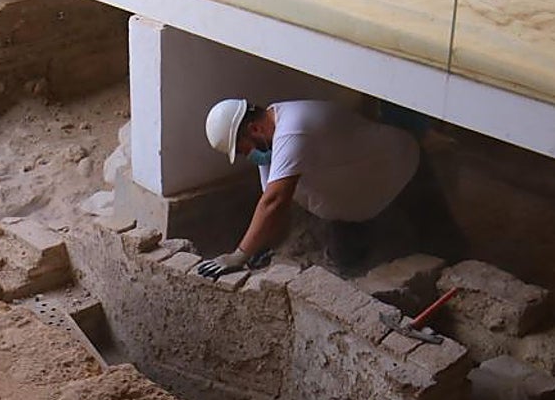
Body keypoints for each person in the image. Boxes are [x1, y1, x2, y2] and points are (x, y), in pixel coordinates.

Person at [196, 98, 464, 277]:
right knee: (349, 264)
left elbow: (274, 202)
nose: (248, 157)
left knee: (441, 241)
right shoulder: (268, 143)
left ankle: (460, 282)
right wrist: (262, 245)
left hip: (398, 166)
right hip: (353, 198)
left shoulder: (293, 130)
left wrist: (239, 255)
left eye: (244, 151)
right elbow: (276, 206)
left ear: (254, 128)